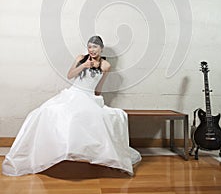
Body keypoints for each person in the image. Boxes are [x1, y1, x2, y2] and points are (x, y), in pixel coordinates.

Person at [2, 35, 141, 176]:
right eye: (90, 47)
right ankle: (46, 152)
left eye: (95, 47)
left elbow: (99, 87)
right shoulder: (81, 58)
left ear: (101, 48)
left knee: (92, 117)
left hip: (89, 96)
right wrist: (83, 65)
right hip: (73, 93)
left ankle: (92, 152)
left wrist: (97, 100)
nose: (92, 50)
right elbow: (70, 75)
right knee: (46, 111)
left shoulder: (106, 65)